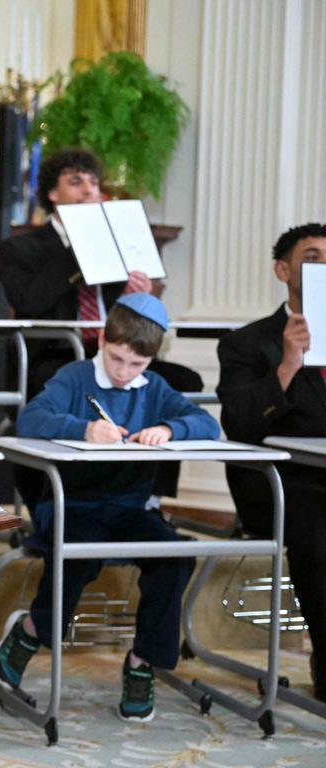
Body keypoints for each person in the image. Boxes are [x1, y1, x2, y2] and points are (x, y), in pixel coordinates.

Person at [0, 293, 220, 722]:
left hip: (127, 510)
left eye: (136, 365)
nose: (122, 373)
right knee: (79, 555)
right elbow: (31, 419)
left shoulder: (153, 389)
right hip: (70, 505)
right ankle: (31, 631)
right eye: (116, 359)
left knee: (174, 558)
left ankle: (142, 661)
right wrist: (83, 428)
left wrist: (169, 428)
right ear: (102, 339)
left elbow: (207, 424)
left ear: (151, 360)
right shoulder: (75, 377)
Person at [0, 147, 202, 505]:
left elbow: (133, 319)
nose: (89, 192)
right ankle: (67, 498)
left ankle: (150, 495)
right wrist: (81, 244)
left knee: (182, 382)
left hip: (112, 351)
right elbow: (31, 302)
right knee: (68, 386)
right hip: (56, 352)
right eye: (76, 183)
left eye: (94, 184)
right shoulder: (21, 247)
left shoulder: (116, 242)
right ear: (52, 194)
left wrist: (139, 294)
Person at [216, 222, 326, 702]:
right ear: (284, 269)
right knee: (320, 545)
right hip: (285, 481)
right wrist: (287, 364)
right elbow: (239, 423)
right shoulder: (248, 342)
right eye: (314, 256)